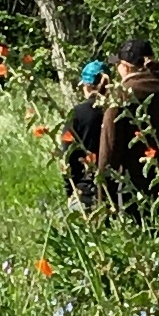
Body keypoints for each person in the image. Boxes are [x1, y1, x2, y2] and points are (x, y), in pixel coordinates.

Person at [97, 39, 159, 218]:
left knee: (144, 237)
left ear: (125, 67)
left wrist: (104, 199)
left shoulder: (120, 95)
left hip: (135, 187)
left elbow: (109, 150)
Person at [59, 59, 112, 211]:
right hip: (118, 192)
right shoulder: (119, 111)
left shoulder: (77, 114)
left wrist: (70, 191)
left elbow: (68, 155)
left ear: (87, 86)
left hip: (87, 192)